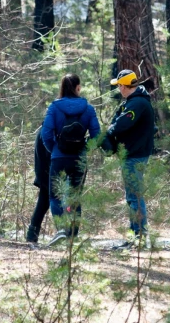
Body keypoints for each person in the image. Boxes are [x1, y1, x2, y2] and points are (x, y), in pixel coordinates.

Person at [41, 73, 100, 245]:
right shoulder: (88, 109)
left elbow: (46, 134)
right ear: (78, 88)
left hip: (59, 158)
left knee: (55, 195)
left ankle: (60, 229)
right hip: (78, 158)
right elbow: (96, 135)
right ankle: (73, 235)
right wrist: (85, 147)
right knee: (75, 196)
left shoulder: (54, 107)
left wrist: (55, 149)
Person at [103, 69, 155, 249]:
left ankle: (138, 237)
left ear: (125, 86)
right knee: (132, 196)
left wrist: (108, 132)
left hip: (135, 155)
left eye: (119, 86)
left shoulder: (137, 104)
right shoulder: (133, 102)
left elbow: (121, 124)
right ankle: (135, 236)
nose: (118, 89)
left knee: (134, 197)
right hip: (132, 154)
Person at [25, 127, 51, 243]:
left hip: (44, 172)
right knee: (44, 203)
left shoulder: (44, 129)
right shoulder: (47, 131)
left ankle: (32, 234)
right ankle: (32, 234)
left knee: (43, 203)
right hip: (47, 172)